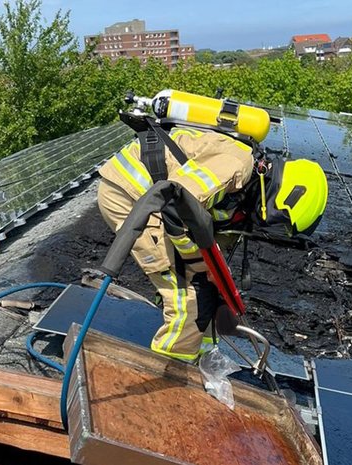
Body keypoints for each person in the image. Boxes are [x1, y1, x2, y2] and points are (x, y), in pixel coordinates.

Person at [96, 96, 328, 362]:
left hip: (156, 197)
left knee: (205, 281)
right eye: (278, 222)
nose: (270, 228)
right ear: (281, 197)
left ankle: (203, 357)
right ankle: (170, 370)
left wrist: (213, 275)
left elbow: (213, 234)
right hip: (129, 195)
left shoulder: (251, 189)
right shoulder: (236, 166)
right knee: (190, 292)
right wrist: (194, 262)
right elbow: (176, 203)